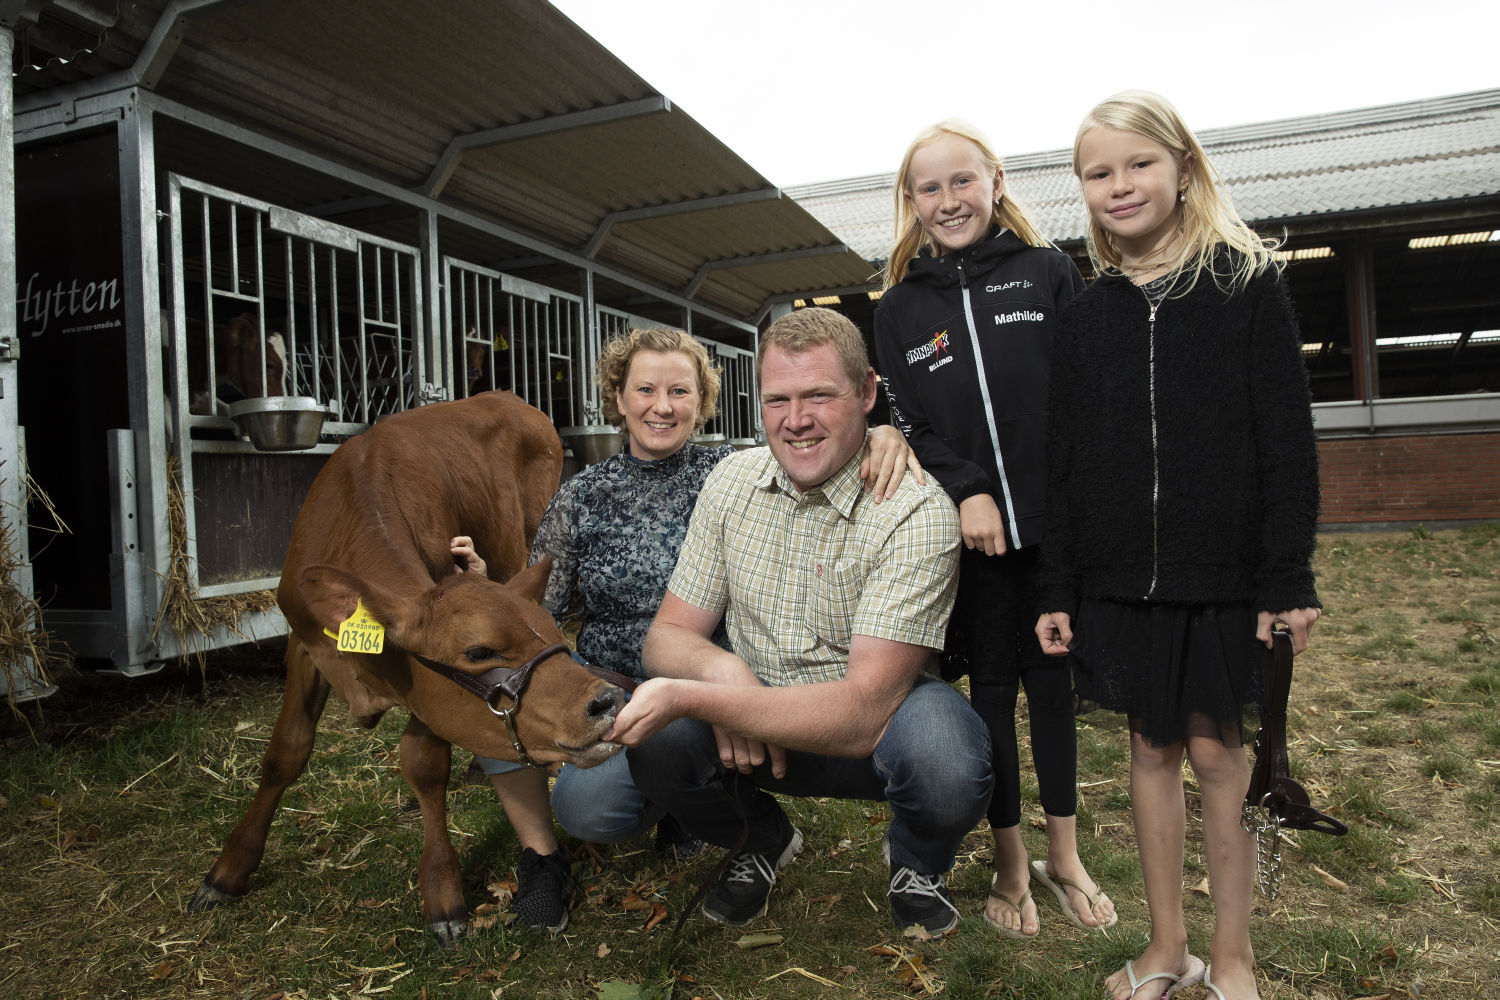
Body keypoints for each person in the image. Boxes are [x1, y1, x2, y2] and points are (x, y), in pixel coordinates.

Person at [451, 326, 921, 934]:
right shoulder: (582, 497)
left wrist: (883, 433)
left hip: (720, 685)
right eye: (644, 389)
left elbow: (820, 442)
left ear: (703, 402)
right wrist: (491, 587)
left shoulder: (736, 473)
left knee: (686, 748)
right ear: (617, 399)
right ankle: (641, 823)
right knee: (586, 810)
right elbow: (541, 606)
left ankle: (714, 808)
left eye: (680, 390)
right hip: (617, 690)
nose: (662, 406)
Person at [1034, 91, 1321, 1000]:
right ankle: (1168, 949)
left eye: (1139, 163)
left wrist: (1287, 575)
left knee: (1216, 755)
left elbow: (1286, 438)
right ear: (1083, 190)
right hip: (1120, 580)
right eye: (1099, 172)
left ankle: (1232, 961)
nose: (1120, 185)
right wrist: (1058, 587)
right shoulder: (1084, 315)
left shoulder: (1246, 284)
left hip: (1227, 576)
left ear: (1184, 167)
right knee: (1150, 754)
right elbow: (1065, 462)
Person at [609, 307, 993, 937]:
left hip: (873, 729)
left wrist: (695, 696)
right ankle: (757, 840)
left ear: (868, 392)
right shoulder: (732, 481)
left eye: (820, 395)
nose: (796, 420)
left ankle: (917, 862)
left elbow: (868, 706)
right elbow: (666, 638)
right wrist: (723, 673)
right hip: (759, 725)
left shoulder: (916, 508)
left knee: (948, 761)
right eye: (777, 399)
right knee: (658, 746)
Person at [873, 119, 1115, 941]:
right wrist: (970, 490)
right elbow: (905, 417)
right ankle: (1012, 862)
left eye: (962, 181)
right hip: (969, 541)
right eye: (930, 188)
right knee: (992, 697)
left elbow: (1083, 397)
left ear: (996, 182)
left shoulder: (1048, 273)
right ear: (911, 203)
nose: (949, 201)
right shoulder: (900, 308)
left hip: (1055, 533)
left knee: (1053, 688)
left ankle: (1066, 855)